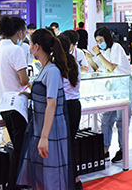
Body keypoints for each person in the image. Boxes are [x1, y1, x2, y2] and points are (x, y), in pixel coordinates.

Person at [17, 29, 73, 189]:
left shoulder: (52, 71)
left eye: (30, 44)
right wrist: (29, 95)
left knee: (52, 173)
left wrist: (44, 137)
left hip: (51, 129)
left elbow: (52, 103)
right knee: (42, 172)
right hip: (42, 127)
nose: (29, 48)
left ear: (36, 46)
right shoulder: (45, 68)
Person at [0, 16, 30, 189]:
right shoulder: (15, 50)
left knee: (16, 146)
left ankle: (15, 183)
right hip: (17, 106)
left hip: (3, 104)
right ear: (19, 33)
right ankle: (15, 184)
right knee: (20, 149)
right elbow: (23, 80)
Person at [86, 26, 132, 163]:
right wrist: (91, 58)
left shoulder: (116, 47)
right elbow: (96, 67)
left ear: (107, 38)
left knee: (121, 120)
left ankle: (123, 150)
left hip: (123, 86)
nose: (99, 43)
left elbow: (112, 67)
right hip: (111, 88)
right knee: (106, 119)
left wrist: (98, 55)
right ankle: (105, 148)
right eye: (97, 41)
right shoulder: (104, 51)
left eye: (101, 40)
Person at [57, 33, 84, 189]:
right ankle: (74, 178)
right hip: (75, 106)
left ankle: (69, 177)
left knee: (64, 144)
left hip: (63, 107)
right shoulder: (74, 62)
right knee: (70, 143)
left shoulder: (57, 65)